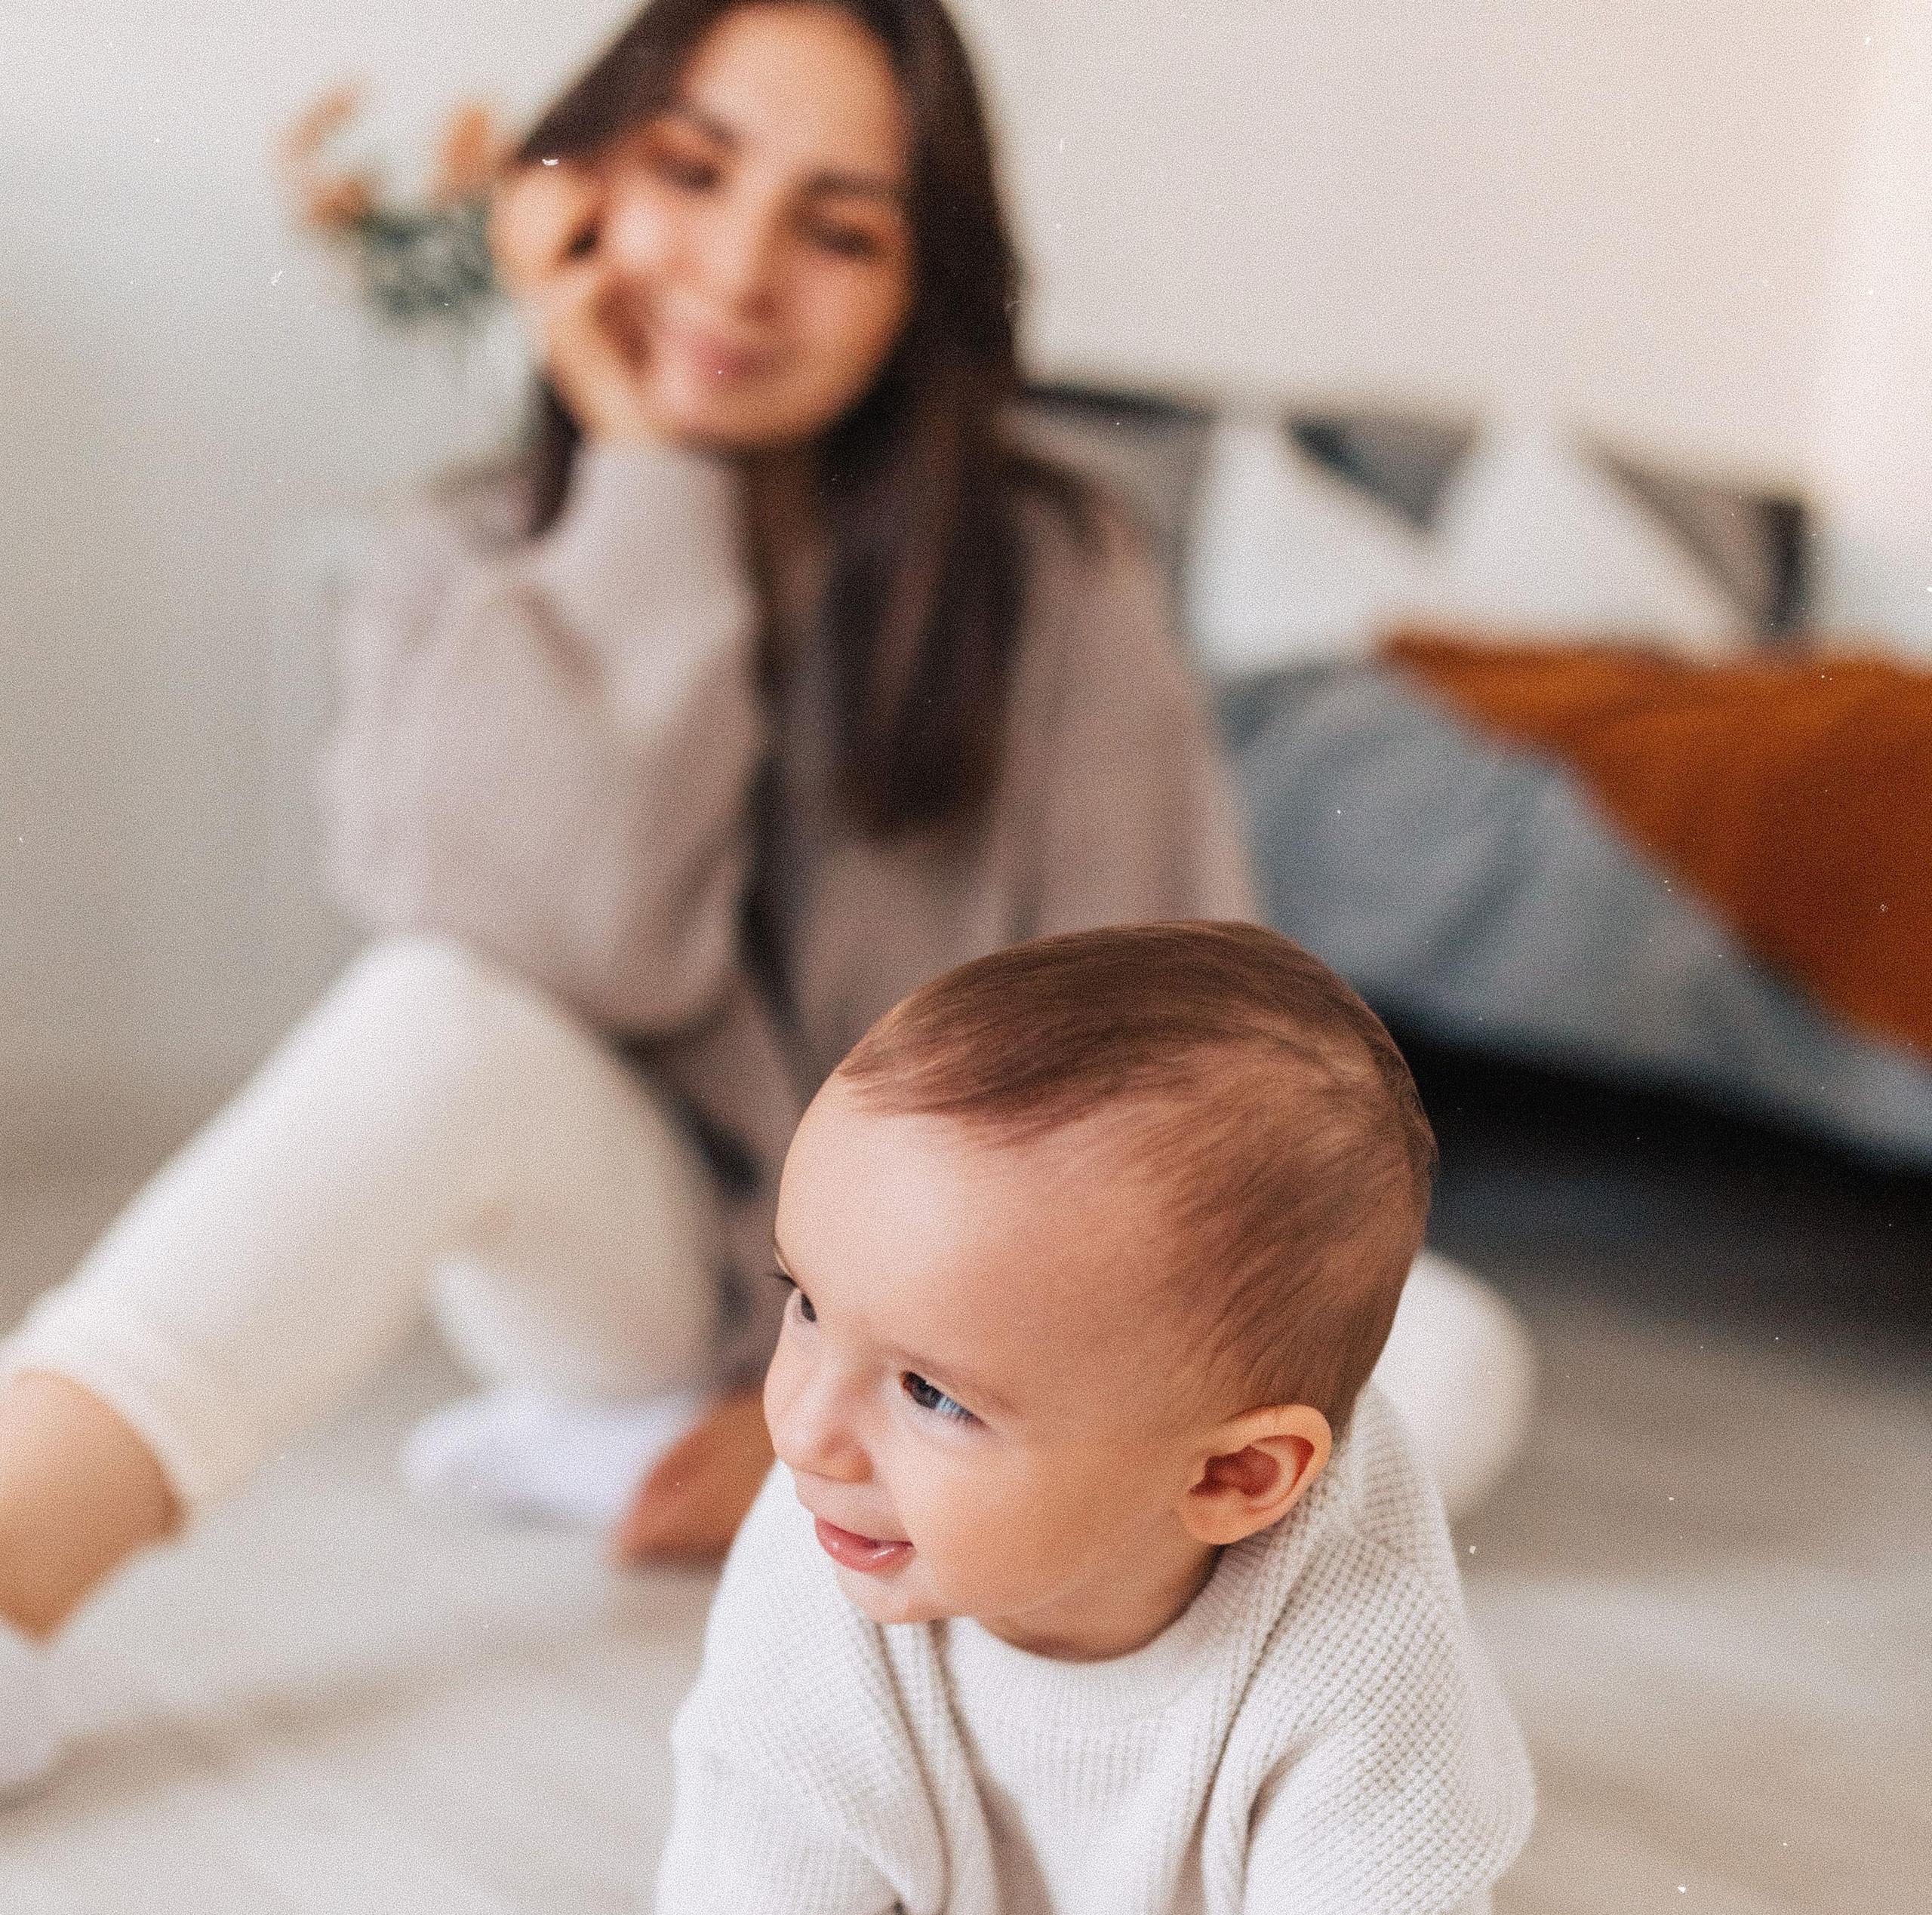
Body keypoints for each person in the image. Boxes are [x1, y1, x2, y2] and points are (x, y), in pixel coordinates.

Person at [0, 0, 1532, 1800]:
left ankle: (783, 1488)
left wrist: (843, 1391)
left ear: (917, 285)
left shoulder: (1055, 573)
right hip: (633, 1266)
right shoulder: (462, 564)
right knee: (437, 1009)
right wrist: (644, 477)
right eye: (691, 174)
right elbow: (556, 950)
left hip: (976, 1333)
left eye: (838, 225)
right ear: (573, 198)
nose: (736, 272)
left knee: (1445, 1345)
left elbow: (1169, 1050)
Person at [649, 921, 1535, 1915]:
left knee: (1393, 1868)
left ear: (1231, 1481)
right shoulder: (819, 1568)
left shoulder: (1353, 1652)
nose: (801, 1427)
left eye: (928, 1391)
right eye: (799, 1305)